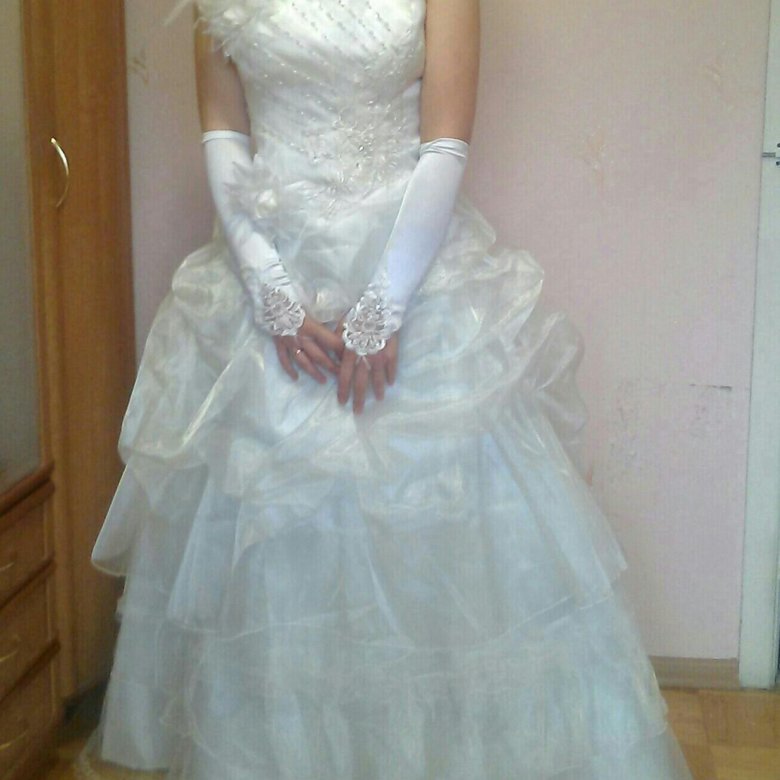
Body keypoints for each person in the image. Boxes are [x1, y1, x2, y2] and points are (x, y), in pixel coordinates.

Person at [77, 1, 695, 778]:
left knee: (438, 546)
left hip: (412, 270)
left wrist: (385, 304)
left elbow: (445, 143)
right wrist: (270, 291)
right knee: (276, 556)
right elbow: (224, 131)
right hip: (271, 280)